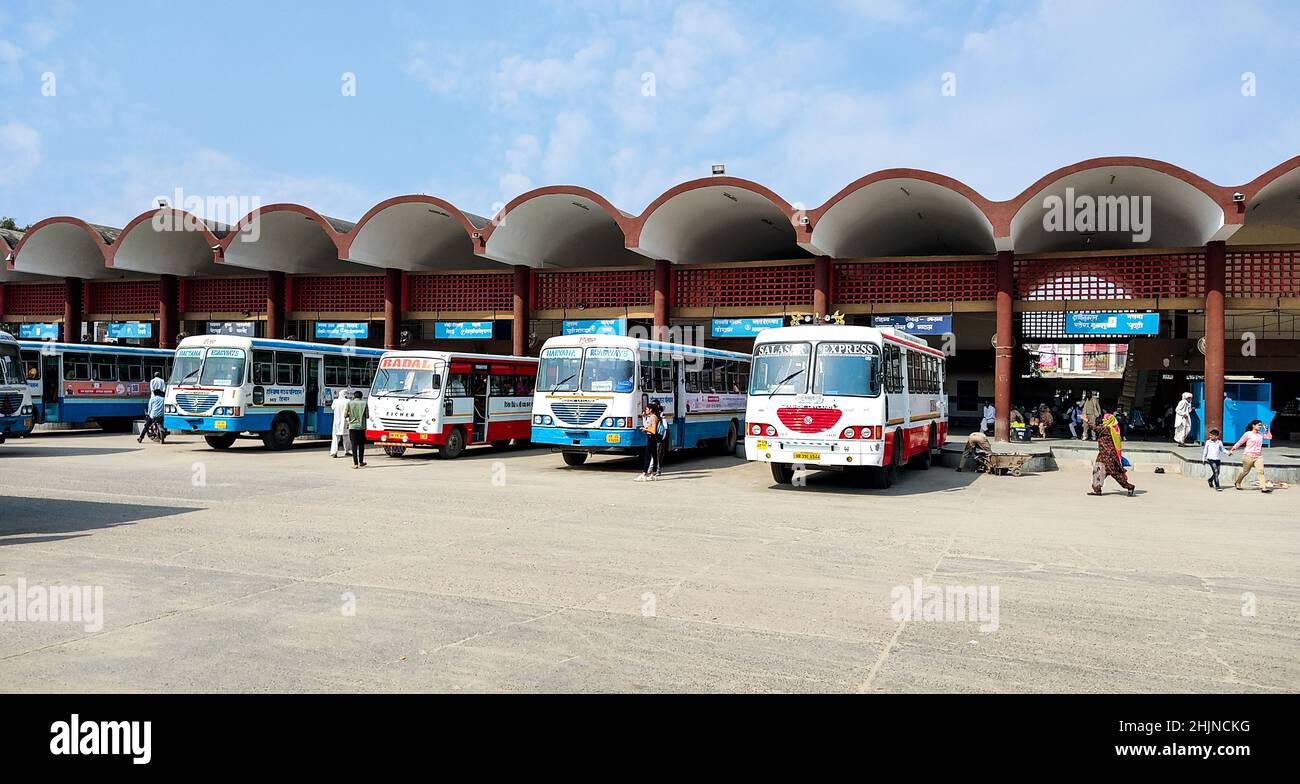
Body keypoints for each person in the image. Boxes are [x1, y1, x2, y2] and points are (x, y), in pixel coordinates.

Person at [1089, 412, 1135, 496]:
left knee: (1115, 474)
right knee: (1098, 472)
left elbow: (1095, 428)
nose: (1103, 420)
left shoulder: (1108, 429)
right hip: (1102, 454)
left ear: (1109, 421)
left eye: (1105, 419)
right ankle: (1097, 490)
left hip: (1109, 455)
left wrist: (1086, 420)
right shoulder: (1108, 428)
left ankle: (1129, 487)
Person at [1228, 419, 1273, 493]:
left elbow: (1269, 437)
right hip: (1248, 456)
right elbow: (1240, 442)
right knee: (1245, 471)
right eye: (1259, 425)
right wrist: (1232, 449)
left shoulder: (1261, 434)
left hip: (1258, 457)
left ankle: (1263, 487)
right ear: (1253, 425)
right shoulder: (1248, 434)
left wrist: (1267, 430)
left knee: (1260, 471)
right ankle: (1238, 482)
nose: (1260, 426)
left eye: (1261, 425)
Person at [636, 402, 663, 481]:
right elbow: (649, 426)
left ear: (651, 410)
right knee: (654, 456)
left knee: (647, 456)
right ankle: (653, 474)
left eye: (647, 409)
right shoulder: (652, 416)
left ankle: (644, 474)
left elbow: (653, 430)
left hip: (652, 437)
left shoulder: (653, 417)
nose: (645, 410)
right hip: (652, 437)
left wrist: (645, 430)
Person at [345, 390, 368, 468]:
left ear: (354, 396)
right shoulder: (364, 403)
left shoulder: (349, 403)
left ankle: (355, 464)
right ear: (361, 396)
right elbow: (367, 416)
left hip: (353, 427)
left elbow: (345, 415)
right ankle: (361, 462)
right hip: (361, 427)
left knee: (354, 446)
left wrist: (350, 414)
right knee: (361, 445)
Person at [330, 389, 351, 458]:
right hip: (345, 421)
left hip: (336, 422)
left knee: (335, 438)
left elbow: (332, 408)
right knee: (346, 437)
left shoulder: (335, 401)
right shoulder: (348, 401)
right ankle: (347, 451)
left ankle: (334, 452)